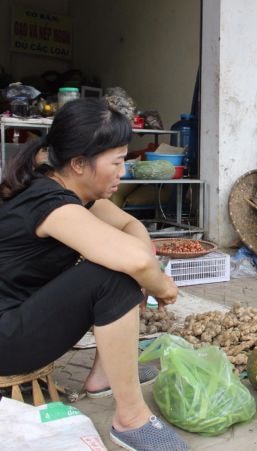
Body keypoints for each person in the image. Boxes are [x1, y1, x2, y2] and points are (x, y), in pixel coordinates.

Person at [0, 99, 188, 451]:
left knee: (121, 265)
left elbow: (131, 226)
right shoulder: (51, 205)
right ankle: (130, 419)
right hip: (5, 339)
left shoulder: (70, 191)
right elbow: (135, 261)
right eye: (116, 161)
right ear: (79, 164)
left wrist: (145, 267)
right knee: (114, 277)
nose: (124, 170)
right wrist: (162, 287)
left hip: (17, 318)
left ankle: (104, 377)